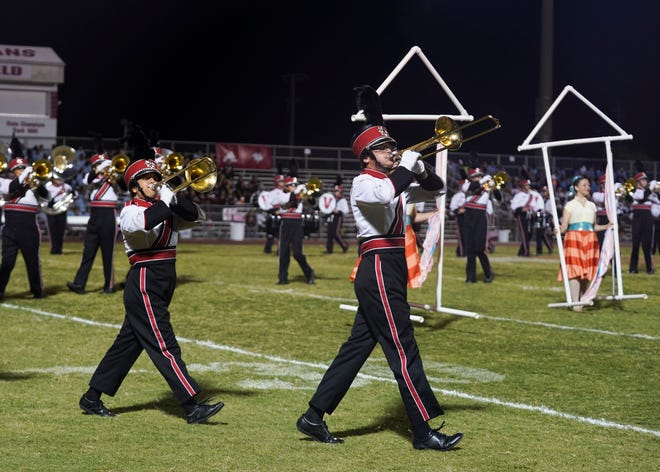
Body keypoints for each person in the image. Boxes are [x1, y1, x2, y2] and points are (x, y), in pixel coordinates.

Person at [296, 85, 463, 451]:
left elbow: (438, 190)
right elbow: (388, 193)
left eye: (393, 148)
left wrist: (420, 168)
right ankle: (422, 431)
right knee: (404, 349)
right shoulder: (363, 184)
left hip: (391, 269)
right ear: (368, 156)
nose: (393, 151)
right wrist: (405, 168)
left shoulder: (393, 179)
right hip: (377, 270)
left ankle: (313, 416)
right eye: (386, 149)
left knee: (356, 350)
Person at [78, 159, 224, 424]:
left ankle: (91, 398)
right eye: (146, 178)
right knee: (164, 343)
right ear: (135, 187)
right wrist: (166, 203)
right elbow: (144, 223)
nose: (154, 182)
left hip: (163, 280)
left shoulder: (165, 207)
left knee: (127, 345)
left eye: (156, 176)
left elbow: (197, 216)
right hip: (145, 280)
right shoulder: (130, 210)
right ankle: (191, 406)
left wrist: (175, 199)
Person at [556, 176, 613, 311]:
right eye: (584, 185)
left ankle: (583, 299)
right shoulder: (570, 205)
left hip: (590, 239)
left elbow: (594, 226)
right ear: (576, 188)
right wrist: (558, 229)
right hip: (574, 239)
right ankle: (575, 303)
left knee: (587, 272)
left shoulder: (592, 206)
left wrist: (607, 226)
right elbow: (564, 226)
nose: (588, 187)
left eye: (588, 185)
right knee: (575, 270)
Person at [67, 153, 120, 294]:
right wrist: (98, 170)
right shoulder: (93, 177)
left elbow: (124, 186)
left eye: (102, 164)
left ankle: (109, 285)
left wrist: (112, 171)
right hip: (94, 215)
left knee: (107, 254)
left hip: (108, 214)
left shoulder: (115, 176)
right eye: (97, 165)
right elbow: (86, 180)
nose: (101, 167)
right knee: (88, 252)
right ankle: (79, 284)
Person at [0, 152, 49, 300]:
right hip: (10, 227)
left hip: (29, 227)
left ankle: (37, 291)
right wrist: (27, 174)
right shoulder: (4, 182)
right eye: (18, 169)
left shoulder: (33, 184)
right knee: (7, 262)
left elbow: (46, 196)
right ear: (12, 171)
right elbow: (10, 188)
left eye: (24, 168)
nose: (22, 171)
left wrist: (37, 185)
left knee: (32, 261)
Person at [273, 176, 315, 285]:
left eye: (295, 185)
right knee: (284, 252)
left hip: (296, 223)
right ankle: (282, 278)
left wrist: (309, 193)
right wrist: (299, 192)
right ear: (286, 186)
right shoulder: (281, 195)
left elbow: (313, 202)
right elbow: (289, 200)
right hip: (285, 223)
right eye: (292, 185)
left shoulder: (299, 195)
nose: (294, 187)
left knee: (297, 253)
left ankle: (309, 272)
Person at [461, 168, 497, 283]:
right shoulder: (467, 185)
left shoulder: (487, 186)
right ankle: (470, 278)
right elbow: (467, 188)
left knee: (479, 248)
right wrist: (482, 181)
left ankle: (488, 273)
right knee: (469, 248)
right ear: (471, 178)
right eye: (476, 176)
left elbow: (499, 196)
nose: (478, 178)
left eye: (480, 176)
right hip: (468, 215)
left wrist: (492, 183)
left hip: (480, 215)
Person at [628, 172, 657, 274]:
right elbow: (642, 196)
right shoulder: (634, 191)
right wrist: (651, 189)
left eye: (646, 180)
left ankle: (649, 268)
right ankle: (632, 268)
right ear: (638, 182)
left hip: (647, 217)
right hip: (638, 217)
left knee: (647, 244)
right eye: (643, 180)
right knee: (635, 243)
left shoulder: (651, 193)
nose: (645, 181)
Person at [43, 176, 77, 254]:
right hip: (51, 211)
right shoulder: (48, 186)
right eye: (57, 179)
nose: (59, 180)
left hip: (62, 211)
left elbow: (75, 196)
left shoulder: (66, 186)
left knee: (60, 231)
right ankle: (53, 249)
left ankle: (59, 249)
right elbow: (44, 198)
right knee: (52, 231)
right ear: (53, 179)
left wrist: (73, 193)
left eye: (60, 178)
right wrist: (48, 203)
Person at [510, 179, 544, 257]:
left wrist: (538, 211)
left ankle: (521, 251)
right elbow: (513, 206)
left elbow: (534, 206)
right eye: (526, 185)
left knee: (529, 234)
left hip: (530, 215)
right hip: (522, 215)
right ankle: (526, 252)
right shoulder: (518, 195)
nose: (528, 187)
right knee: (524, 234)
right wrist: (522, 209)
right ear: (522, 186)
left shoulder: (531, 195)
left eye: (528, 185)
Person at [262, 174, 285, 254]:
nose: (283, 183)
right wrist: (274, 211)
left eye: (283, 181)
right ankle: (268, 249)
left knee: (281, 234)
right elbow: (267, 205)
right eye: (281, 181)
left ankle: (280, 250)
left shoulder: (286, 192)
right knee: (270, 233)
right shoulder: (272, 193)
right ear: (276, 182)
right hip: (274, 213)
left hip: (283, 213)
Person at [324, 184, 350, 254]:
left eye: (336, 191)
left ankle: (345, 245)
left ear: (340, 191)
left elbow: (345, 211)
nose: (335, 192)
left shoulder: (342, 200)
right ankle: (329, 250)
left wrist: (337, 211)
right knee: (329, 234)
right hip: (332, 217)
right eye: (334, 191)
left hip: (338, 218)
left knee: (336, 233)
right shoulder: (334, 199)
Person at [448, 180, 466, 257]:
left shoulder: (469, 195)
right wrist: (459, 211)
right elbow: (452, 207)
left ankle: (462, 250)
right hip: (461, 217)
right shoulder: (458, 195)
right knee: (462, 234)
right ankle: (461, 252)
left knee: (467, 234)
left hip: (468, 216)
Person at [535, 185, 554, 255]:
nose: (544, 193)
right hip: (541, 218)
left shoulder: (550, 200)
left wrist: (544, 211)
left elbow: (551, 211)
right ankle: (539, 250)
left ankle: (550, 248)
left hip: (548, 218)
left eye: (545, 191)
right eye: (543, 191)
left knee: (545, 234)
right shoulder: (542, 200)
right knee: (538, 234)